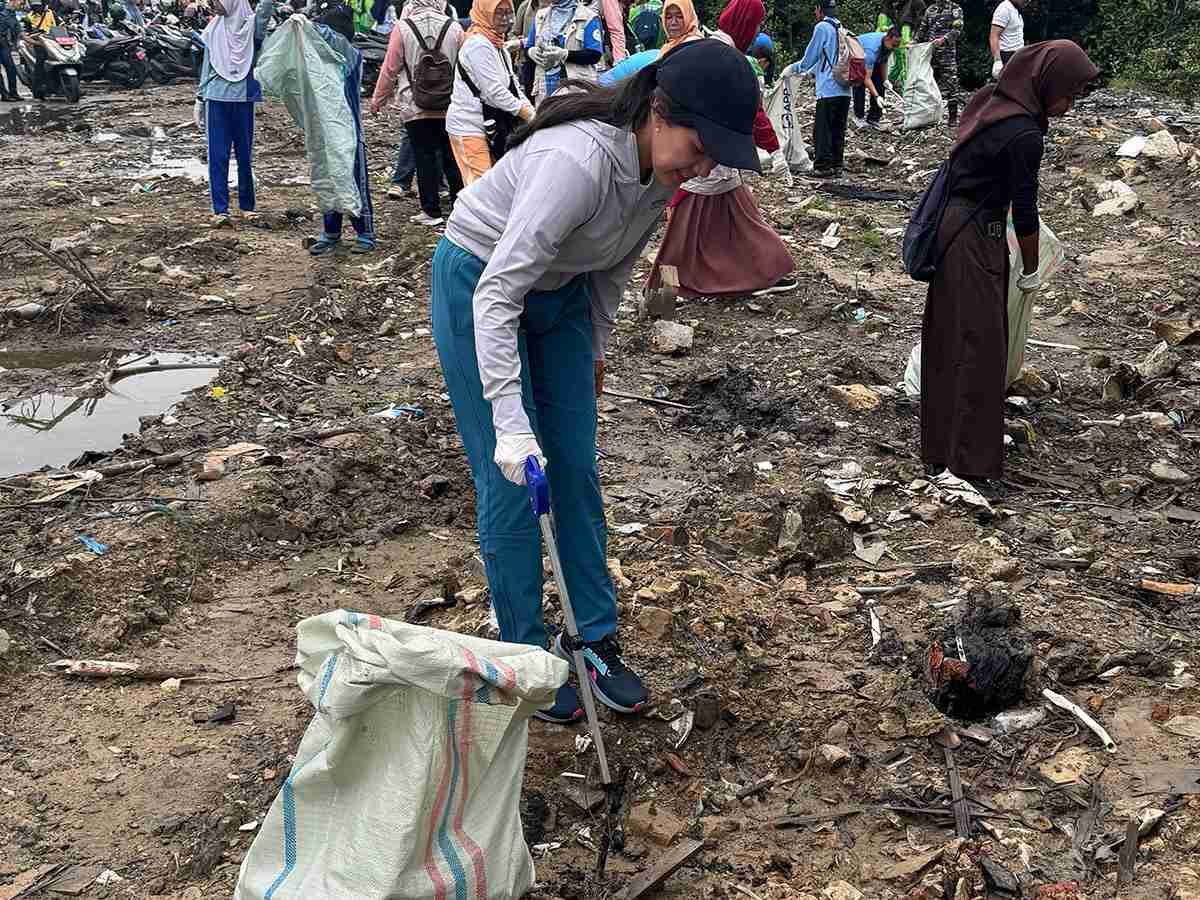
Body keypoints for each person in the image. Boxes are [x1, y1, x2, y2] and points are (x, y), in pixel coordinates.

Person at [431, 39, 762, 723]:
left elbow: (612, 265)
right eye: (702, 146)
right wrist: (510, 419)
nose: (704, 167)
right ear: (660, 112)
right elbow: (498, 294)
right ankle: (524, 660)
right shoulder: (574, 163)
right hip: (479, 282)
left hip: (563, 296)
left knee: (576, 468)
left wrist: (595, 354)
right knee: (514, 479)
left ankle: (591, 638)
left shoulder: (662, 173)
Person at [921, 41, 1097, 483]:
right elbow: (1026, 208)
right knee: (980, 348)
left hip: (954, 228)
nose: (1069, 106)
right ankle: (968, 463)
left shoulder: (993, 102)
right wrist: (1032, 269)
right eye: (1069, 94)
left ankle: (940, 447)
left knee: (950, 338)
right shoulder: (1024, 134)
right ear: (1048, 83)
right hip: (974, 237)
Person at [645, 0, 794, 300]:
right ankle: (665, 298)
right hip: (701, 155)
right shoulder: (721, 55)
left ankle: (764, 271)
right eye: (754, 26)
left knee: (724, 225)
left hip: (708, 156)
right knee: (686, 235)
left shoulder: (708, 48)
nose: (755, 34)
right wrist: (774, 150)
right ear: (744, 24)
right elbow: (753, 112)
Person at [370, 0, 464, 226]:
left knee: (424, 157)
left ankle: (431, 212)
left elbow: (390, 68)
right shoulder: (455, 28)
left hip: (415, 106)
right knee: (452, 158)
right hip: (449, 104)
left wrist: (378, 99)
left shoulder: (402, 27)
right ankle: (460, 210)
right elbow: (465, 68)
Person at [195, 0, 275, 227]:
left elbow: (265, 9)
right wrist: (199, 98)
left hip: (243, 99)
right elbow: (207, 66)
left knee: (244, 156)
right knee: (217, 156)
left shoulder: (252, 27)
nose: (215, 5)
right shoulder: (213, 29)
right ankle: (220, 210)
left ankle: (247, 207)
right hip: (216, 98)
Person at [307, 5, 375, 254]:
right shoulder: (320, 62)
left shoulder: (351, 55)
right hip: (324, 132)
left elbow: (329, 36)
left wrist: (307, 25)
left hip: (349, 134)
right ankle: (331, 232)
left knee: (355, 182)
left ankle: (365, 232)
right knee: (328, 181)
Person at [446, 0, 533, 184]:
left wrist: (532, 111)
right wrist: (527, 114)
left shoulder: (498, 45)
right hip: (468, 125)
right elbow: (494, 92)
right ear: (485, 13)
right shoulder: (478, 45)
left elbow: (513, 85)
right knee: (480, 188)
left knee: (497, 185)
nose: (506, 19)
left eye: (509, 13)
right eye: (498, 13)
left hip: (490, 125)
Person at [788, 1, 850, 179]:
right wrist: (811, 72)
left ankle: (823, 167)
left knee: (823, 130)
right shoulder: (841, 28)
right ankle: (837, 165)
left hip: (828, 88)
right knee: (838, 129)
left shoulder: (822, 27)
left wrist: (796, 68)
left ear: (819, 10)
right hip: (845, 88)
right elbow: (828, 57)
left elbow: (811, 55)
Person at [526, 0, 601, 104]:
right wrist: (531, 52)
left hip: (577, 91)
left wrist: (565, 54)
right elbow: (529, 46)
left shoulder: (588, 17)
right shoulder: (540, 16)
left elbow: (595, 55)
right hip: (545, 89)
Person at [917, 0, 962, 125]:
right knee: (929, 83)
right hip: (931, 53)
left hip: (947, 54)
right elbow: (922, 29)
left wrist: (944, 39)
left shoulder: (955, 9)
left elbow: (957, 30)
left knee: (951, 84)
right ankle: (930, 115)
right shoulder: (930, 9)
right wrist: (914, 42)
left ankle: (952, 118)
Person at [852, 25, 899, 128]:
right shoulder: (871, 50)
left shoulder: (889, 45)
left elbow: (884, 61)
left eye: (897, 45)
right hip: (857, 56)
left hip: (872, 58)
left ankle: (874, 118)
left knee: (880, 83)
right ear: (887, 38)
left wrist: (885, 80)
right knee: (859, 83)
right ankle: (858, 116)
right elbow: (866, 78)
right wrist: (877, 96)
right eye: (894, 45)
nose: (895, 47)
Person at [990, 0, 1025, 78]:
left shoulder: (1015, 9)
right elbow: (994, 36)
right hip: (1007, 56)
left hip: (1018, 55)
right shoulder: (1004, 9)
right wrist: (997, 61)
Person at [0, 0, 23, 101]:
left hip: (4, 44)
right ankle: (4, 94)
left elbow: (18, 31)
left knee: (11, 69)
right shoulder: (4, 12)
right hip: (3, 43)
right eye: (20, 3)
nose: (21, 5)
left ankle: (13, 93)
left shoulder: (12, 14)